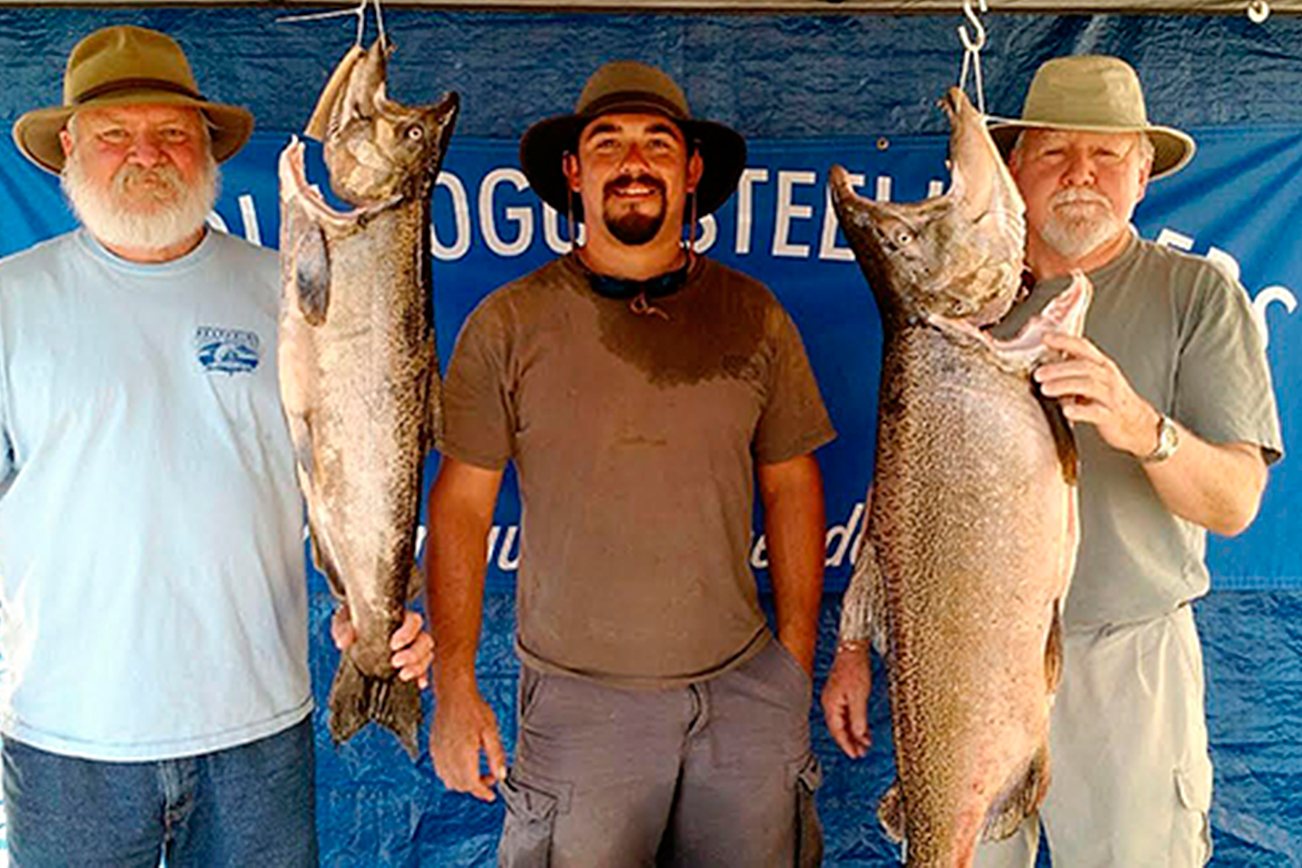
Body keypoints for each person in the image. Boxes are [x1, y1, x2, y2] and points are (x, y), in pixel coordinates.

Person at [822, 54, 1282, 866]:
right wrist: (855, 644)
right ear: (1015, 169)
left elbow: (1237, 502)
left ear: (1142, 174)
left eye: (1107, 155)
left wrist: (1141, 425)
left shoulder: (1200, 298)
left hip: (1125, 661)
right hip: (958, 656)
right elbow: (910, 486)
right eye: (1054, 153)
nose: (1081, 175)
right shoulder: (969, 304)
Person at [0, 25, 432, 866]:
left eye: (171, 132)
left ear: (208, 149)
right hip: (64, 738)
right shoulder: (8, 302)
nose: (145, 154)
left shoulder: (293, 291)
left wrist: (369, 601)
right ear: (66, 151)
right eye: (114, 134)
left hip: (256, 731)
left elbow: (346, 473)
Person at [426, 60, 835, 866]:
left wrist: (791, 661)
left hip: (744, 694)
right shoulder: (508, 324)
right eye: (607, 143)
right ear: (574, 174)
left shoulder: (754, 315)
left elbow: (792, 483)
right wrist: (454, 679)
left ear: (690, 172)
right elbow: (462, 509)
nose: (633, 162)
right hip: (579, 708)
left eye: (656, 142)